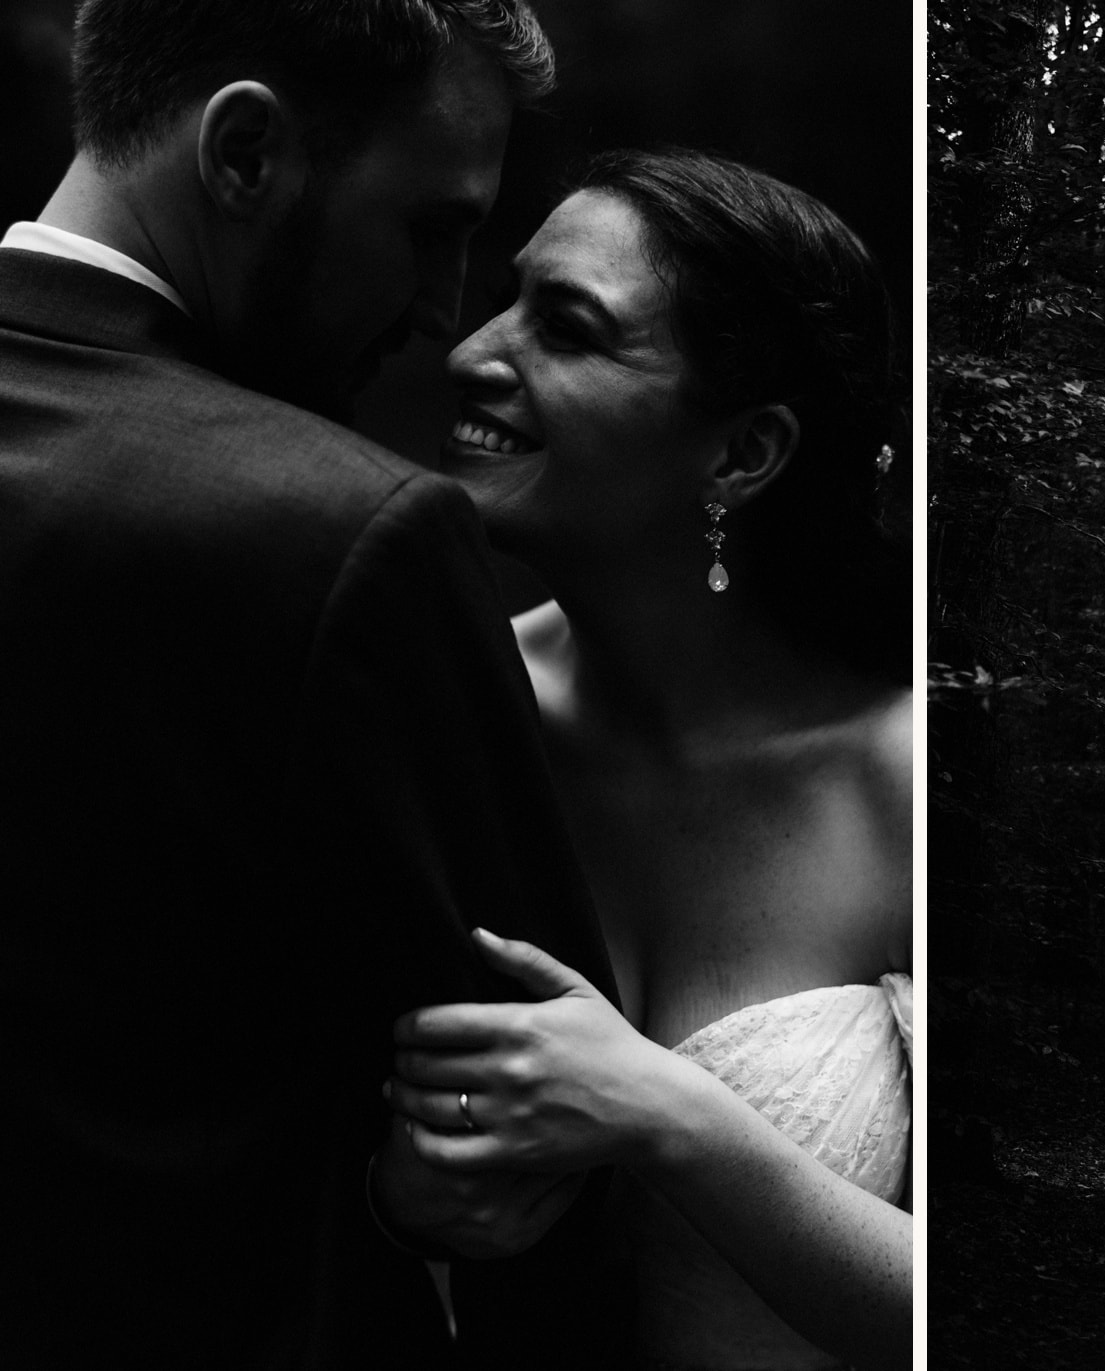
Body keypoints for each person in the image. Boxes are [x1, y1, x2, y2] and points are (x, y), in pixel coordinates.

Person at [0, 3, 617, 1363]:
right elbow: (541, 1126)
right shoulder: (349, 537)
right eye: (430, 226)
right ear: (245, 153)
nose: (443, 312)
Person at [383, 150, 913, 1370]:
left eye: (563, 326)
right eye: (506, 298)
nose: (472, 352)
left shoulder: (894, 782)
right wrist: (396, 1206)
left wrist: (671, 1117)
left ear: (742, 455)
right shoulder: (432, 721)